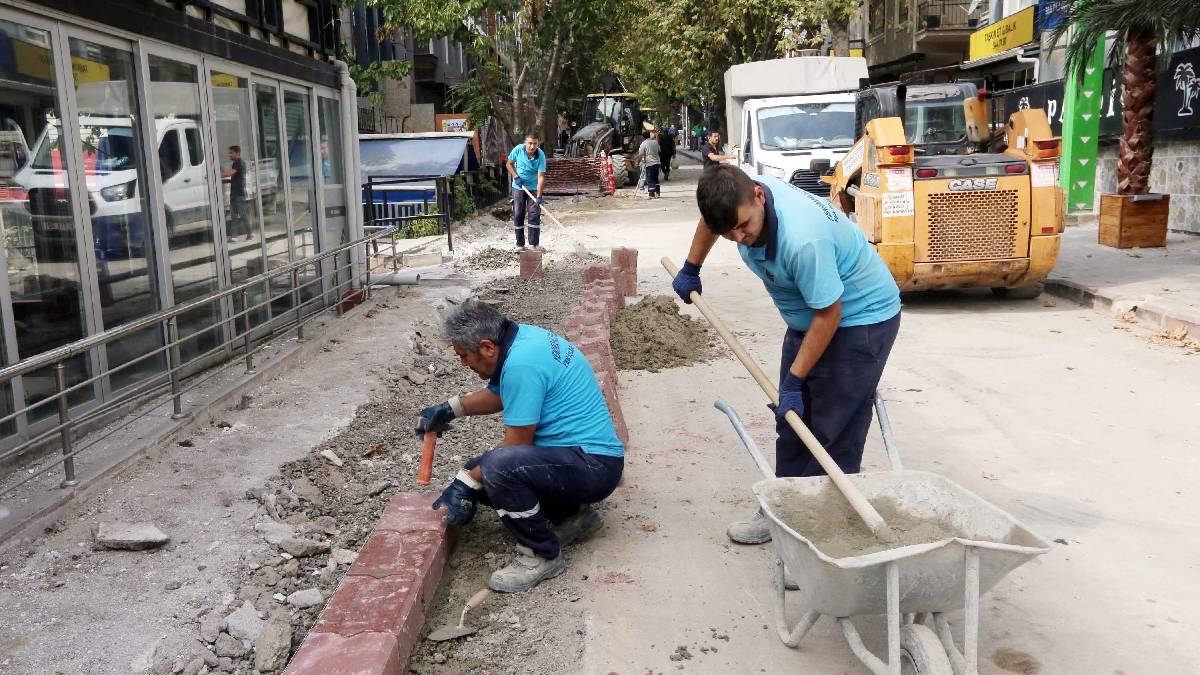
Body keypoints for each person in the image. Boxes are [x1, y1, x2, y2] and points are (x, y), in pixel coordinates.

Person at [671, 165, 901, 545]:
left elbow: (830, 314)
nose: (739, 237)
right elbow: (715, 220)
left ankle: (820, 538)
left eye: (743, 226)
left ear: (759, 196)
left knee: (831, 430)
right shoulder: (734, 204)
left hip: (861, 320)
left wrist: (795, 380)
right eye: (728, 232)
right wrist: (692, 266)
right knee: (792, 419)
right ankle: (784, 513)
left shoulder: (802, 239)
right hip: (809, 318)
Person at [418, 300, 624, 592]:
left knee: (496, 469)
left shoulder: (520, 364)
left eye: (464, 356)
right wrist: (450, 409)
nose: (464, 363)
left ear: (487, 347)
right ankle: (573, 518)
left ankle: (541, 554)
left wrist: (466, 481)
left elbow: (515, 445)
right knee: (484, 472)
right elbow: (502, 394)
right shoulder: (522, 340)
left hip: (592, 466)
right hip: (587, 460)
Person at [505, 132, 547, 250]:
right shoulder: (518, 150)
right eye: (530, 143)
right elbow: (509, 164)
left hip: (533, 188)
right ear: (525, 143)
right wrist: (515, 176)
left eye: (535, 144)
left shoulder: (540, 155)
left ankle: (533, 244)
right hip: (518, 187)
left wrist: (539, 196)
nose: (532, 146)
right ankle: (520, 244)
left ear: (537, 144)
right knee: (518, 213)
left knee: (534, 214)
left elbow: (541, 177)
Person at [222, 145, 249, 242]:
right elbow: (235, 178)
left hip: (239, 194)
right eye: (229, 153)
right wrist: (226, 181)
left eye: (231, 153)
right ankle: (234, 237)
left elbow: (230, 174)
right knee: (234, 217)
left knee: (243, 215)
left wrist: (217, 174)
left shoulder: (239, 163)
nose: (229, 155)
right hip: (234, 194)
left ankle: (250, 234)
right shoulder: (235, 164)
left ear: (237, 153)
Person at [636, 129, 661, 198]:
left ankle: (651, 194)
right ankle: (658, 193)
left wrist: (637, 162)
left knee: (650, 179)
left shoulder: (643, 143)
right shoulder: (655, 142)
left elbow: (640, 155)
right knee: (656, 178)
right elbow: (659, 150)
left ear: (643, 137)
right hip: (657, 163)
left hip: (650, 163)